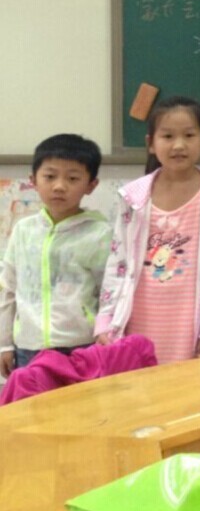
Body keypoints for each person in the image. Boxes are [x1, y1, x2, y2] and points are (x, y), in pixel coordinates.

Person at [95, 97, 200, 364]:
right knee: (139, 385)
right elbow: (118, 262)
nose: (179, 145)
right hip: (138, 320)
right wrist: (106, 317)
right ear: (151, 143)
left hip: (192, 325)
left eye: (189, 135)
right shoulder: (133, 196)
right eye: (168, 136)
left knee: (191, 386)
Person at [0, 135, 111, 376]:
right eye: (50, 176)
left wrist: (106, 335)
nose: (59, 186)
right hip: (28, 347)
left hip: (81, 345)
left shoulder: (100, 233)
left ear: (91, 185)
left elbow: (109, 292)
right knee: (33, 401)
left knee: (81, 402)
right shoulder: (23, 230)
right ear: (33, 180)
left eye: (72, 178)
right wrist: (4, 344)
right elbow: (8, 289)